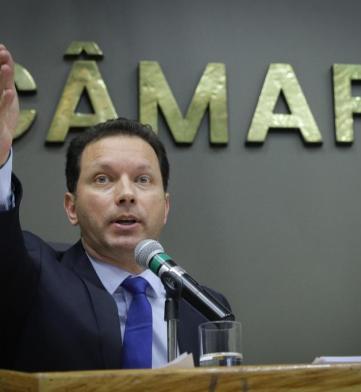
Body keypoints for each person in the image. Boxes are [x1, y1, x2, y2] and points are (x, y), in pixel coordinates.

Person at [0, 44, 230, 372]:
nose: (126, 194)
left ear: (165, 208)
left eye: (143, 180)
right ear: (71, 207)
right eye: (104, 179)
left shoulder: (204, 306)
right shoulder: (36, 276)